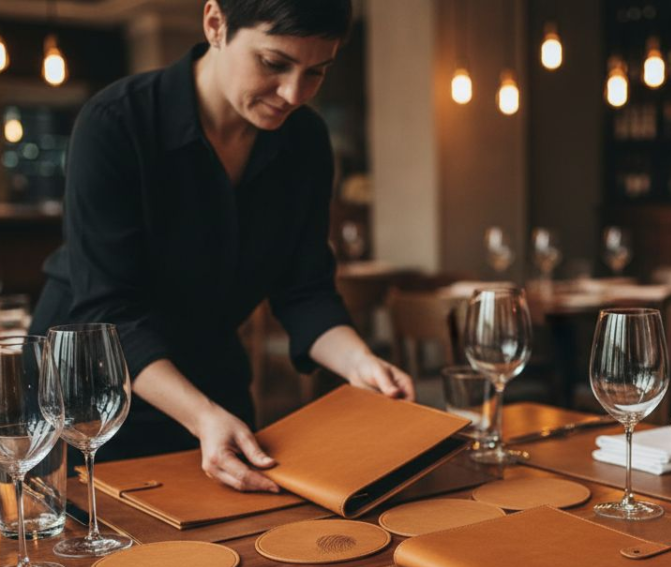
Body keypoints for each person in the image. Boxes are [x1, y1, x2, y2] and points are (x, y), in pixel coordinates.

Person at [29, 0, 413, 492]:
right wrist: (201, 416)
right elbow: (111, 312)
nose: (294, 93)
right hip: (88, 399)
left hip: (211, 383)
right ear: (215, 24)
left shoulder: (306, 143)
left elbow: (305, 291)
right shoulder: (116, 123)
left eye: (316, 72)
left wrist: (363, 366)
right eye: (274, 64)